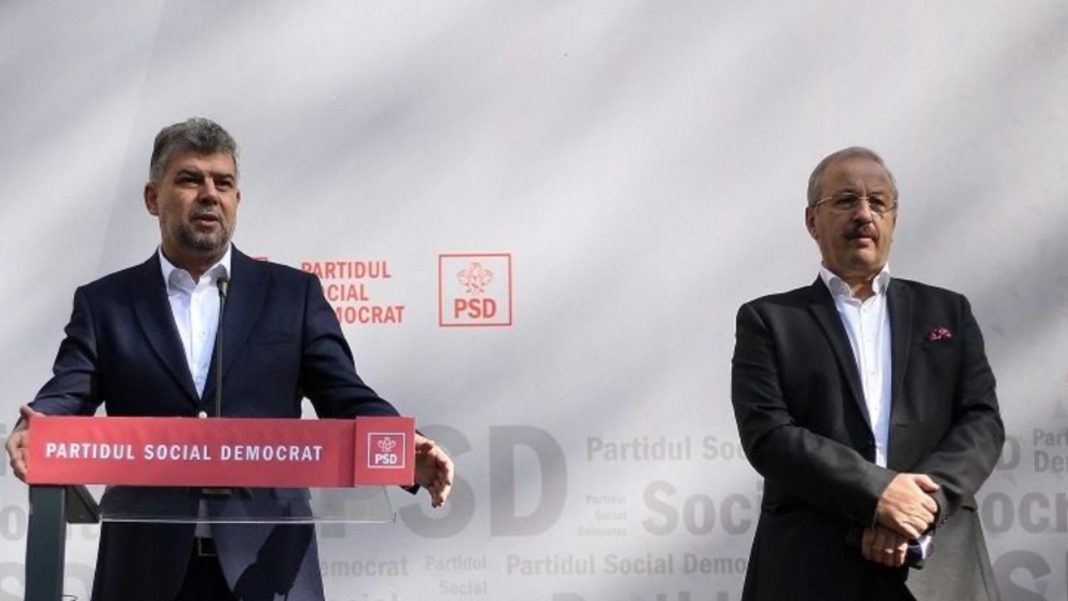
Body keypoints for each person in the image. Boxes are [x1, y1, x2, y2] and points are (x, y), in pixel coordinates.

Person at [4, 117, 454, 601]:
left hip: (268, 569)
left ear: (237, 199)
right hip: (145, 567)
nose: (209, 194)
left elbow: (343, 393)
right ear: (153, 198)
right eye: (189, 180)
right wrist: (37, 426)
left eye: (223, 183)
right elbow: (67, 392)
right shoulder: (107, 303)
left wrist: (403, 447)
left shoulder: (292, 295)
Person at [730, 147, 1004, 601]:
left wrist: (919, 509)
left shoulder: (948, 312)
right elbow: (768, 435)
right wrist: (879, 495)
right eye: (845, 200)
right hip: (811, 568)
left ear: (893, 219)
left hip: (938, 566)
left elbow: (982, 423)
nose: (863, 214)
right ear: (812, 221)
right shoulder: (769, 320)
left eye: (878, 202)